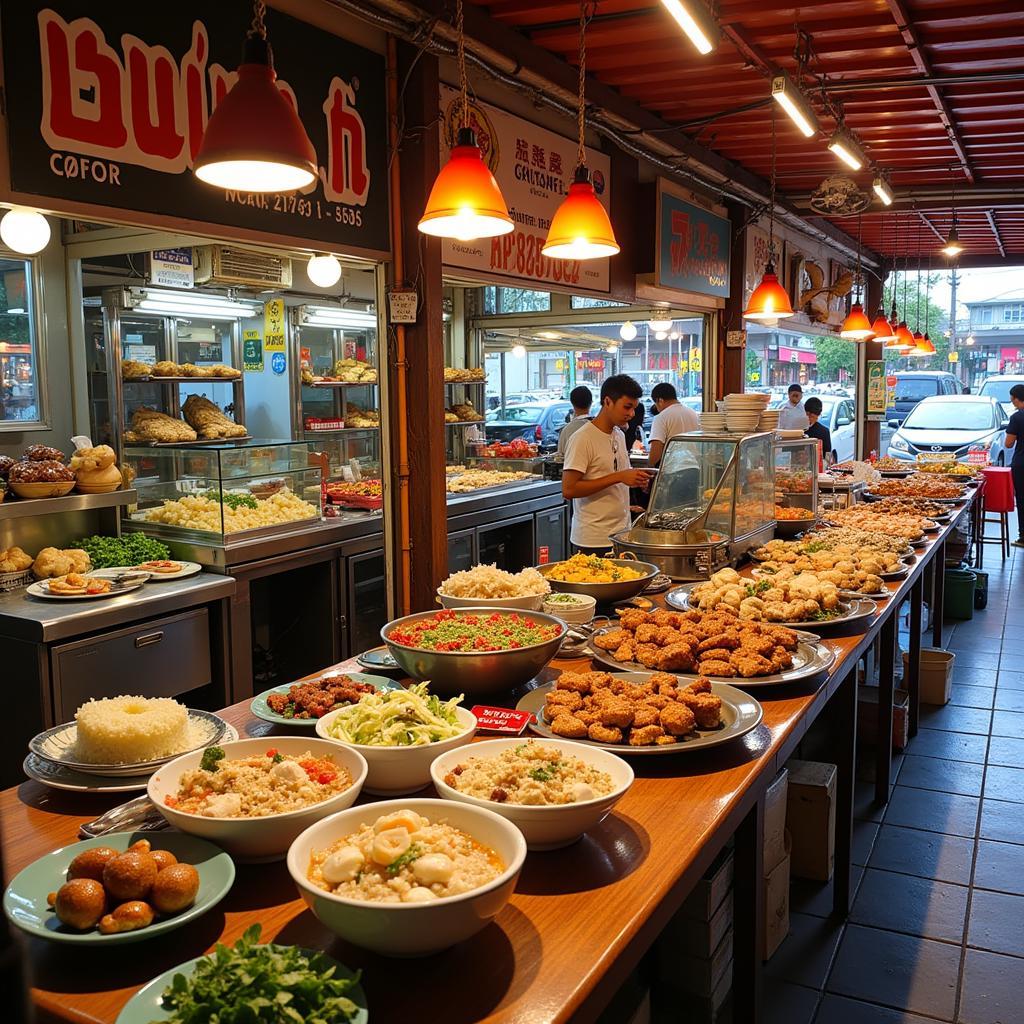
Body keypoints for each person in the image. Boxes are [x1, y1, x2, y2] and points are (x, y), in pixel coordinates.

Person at [562, 374, 653, 554]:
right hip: (594, 539)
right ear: (608, 401)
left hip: (622, 533)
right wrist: (619, 477)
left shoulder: (618, 434)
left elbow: (613, 476)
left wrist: (635, 480)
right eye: (627, 407)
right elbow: (569, 489)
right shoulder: (582, 438)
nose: (632, 414)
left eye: (634, 408)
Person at [647, 383, 700, 467]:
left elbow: (656, 451)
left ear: (660, 400)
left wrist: (650, 469)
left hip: (672, 469)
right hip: (695, 466)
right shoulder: (693, 413)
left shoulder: (661, 417)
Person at [1003, 383, 1024, 548]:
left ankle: (1023, 536)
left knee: (1022, 500)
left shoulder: (1017, 417)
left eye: (1013, 400)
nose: (1012, 403)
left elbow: (1008, 444)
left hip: (1021, 464)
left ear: (1017, 399)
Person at [555, 385, 593, 459]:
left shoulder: (566, 430)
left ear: (572, 403)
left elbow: (560, 458)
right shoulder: (600, 427)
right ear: (591, 403)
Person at [803, 396, 834, 466]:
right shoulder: (798, 429)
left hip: (817, 468)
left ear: (818, 416)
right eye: (807, 415)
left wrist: (825, 465)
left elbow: (827, 455)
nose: (809, 419)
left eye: (812, 417)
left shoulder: (824, 431)